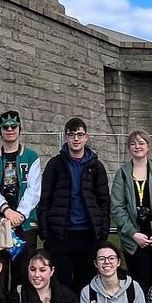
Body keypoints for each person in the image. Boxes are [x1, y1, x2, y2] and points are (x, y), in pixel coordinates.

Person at [39, 117, 111, 292]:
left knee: (86, 285)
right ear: (66, 137)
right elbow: (45, 199)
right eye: (71, 135)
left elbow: (104, 201)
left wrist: (103, 232)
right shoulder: (55, 164)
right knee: (61, 284)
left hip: (88, 233)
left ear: (86, 137)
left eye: (80, 134)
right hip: (61, 234)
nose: (76, 139)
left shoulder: (96, 166)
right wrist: (45, 233)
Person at [0, 109, 41, 285]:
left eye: (13, 126)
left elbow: (34, 189)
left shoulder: (31, 157)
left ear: (19, 129)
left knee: (23, 267)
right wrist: (7, 211)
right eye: (5, 127)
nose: (10, 129)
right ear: (0, 131)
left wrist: (20, 213)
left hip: (24, 219)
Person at [109, 130, 152, 292]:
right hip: (134, 241)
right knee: (139, 286)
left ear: (148, 147)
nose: (137, 147)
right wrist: (133, 233)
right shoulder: (122, 174)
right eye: (132, 144)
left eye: (141, 143)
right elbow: (117, 207)